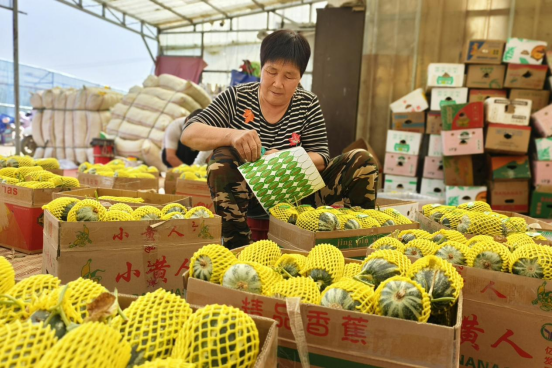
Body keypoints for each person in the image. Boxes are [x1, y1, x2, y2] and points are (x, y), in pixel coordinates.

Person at [181, 30, 379, 249]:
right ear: (262, 67)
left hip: (300, 198)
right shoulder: (237, 97)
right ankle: (236, 246)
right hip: (249, 197)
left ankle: (360, 240)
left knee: (362, 161)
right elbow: (189, 134)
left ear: (300, 77)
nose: (277, 83)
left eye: (289, 76)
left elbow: (322, 157)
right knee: (222, 157)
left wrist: (286, 158)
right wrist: (232, 135)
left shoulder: (308, 103)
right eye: (271, 72)